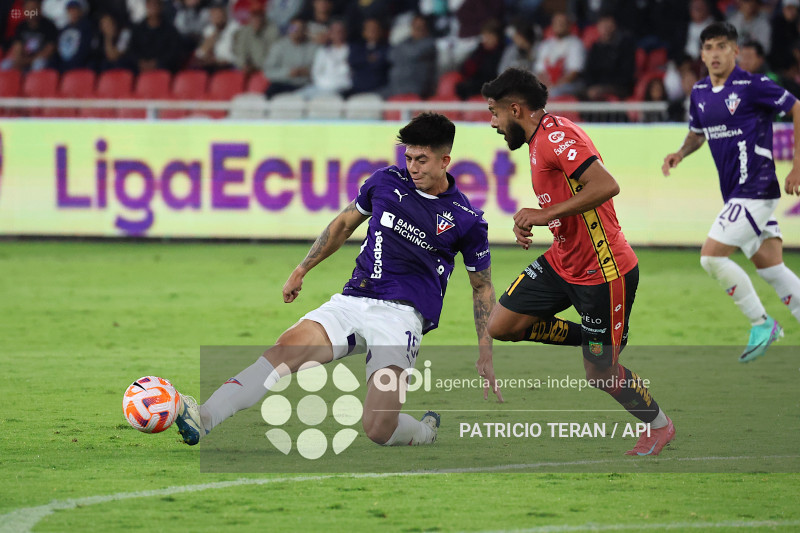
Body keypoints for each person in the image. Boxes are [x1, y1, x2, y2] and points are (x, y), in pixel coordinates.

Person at [172, 113, 502, 447]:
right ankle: (205, 417)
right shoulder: (385, 182)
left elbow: (482, 287)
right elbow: (344, 224)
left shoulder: (467, 220)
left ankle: (423, 431)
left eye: (422, 160)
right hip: (354, 301)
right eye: (408, 158)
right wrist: (302, 268)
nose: (413, 167)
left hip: (400, 318)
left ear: (445, 160)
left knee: (378, 429)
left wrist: (485, 351)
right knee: (282, 353)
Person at [481, 67, 675, 456]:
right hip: (562, 259)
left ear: (515, 109)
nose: (493, 123)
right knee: (501, 324)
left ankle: (659, 425)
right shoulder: (540, 137)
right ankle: (595, 339)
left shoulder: (555, 137)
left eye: (494, 113)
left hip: (604, 271)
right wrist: (539, 220)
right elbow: (564, 201)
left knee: (600, 373)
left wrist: (539, 214)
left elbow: (605, 186)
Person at [662, 22, 800, 362]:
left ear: (735, 51)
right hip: (737, 193)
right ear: (701, 53)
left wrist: (798, 165)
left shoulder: (752, 86)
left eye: (721, 46)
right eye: (708, 47)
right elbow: (698, 133)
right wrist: (681, 152)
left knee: (711, 256)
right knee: (772, 268)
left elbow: (797, 107)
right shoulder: (699, 93)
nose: (714, 54)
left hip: (756, 188)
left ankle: (762, 323)